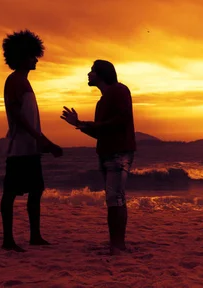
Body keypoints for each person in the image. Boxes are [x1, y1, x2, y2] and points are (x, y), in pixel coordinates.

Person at [61, 60, 136, 255]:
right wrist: (78, 123)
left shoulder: (119, 90)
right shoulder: (102, 101)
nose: (88, 74)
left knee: (116, 198)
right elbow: (100, 133)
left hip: (119, 152)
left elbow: (121, 120)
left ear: (101, 74)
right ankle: (116, 243)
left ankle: (118, 245)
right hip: (107, 153)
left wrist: (87, 124)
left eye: (92, 71)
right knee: (114, 198)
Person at [0, 29, 63, 252]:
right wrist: (41, 138)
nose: (36, 60)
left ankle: (35, 235)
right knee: (10, 193)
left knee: (36, 190)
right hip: (18, 147)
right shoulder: (14, 80)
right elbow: (18, 115)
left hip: (31, 148)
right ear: (23, 57)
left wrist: (40, 141)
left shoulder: (24, 82)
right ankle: (8, 240)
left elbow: (29, 117)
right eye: (32, 56)